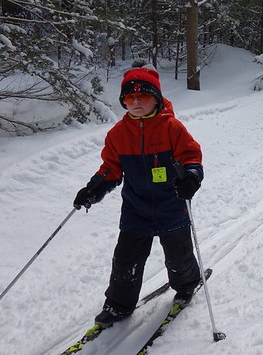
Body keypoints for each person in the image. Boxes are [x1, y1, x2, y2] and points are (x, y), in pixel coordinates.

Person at [73, 62, 204, 327]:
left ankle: (187, 285)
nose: (136, 102)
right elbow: (111, 168)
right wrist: (93, 189)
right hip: (136, 208)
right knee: (125, 260)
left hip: (172, 203)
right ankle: (119, 305)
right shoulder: (118, 134)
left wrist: (191, 178)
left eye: (143, 96)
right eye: (129, 97)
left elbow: (191, 156)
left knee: (179, 254)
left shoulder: (171, 128)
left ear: (155, 98)